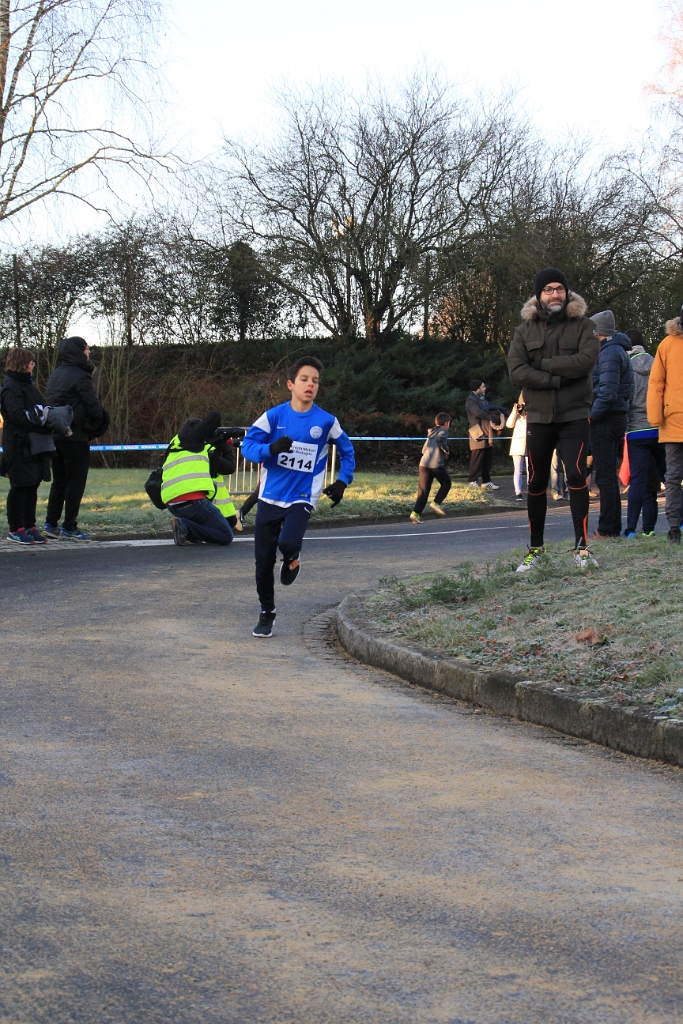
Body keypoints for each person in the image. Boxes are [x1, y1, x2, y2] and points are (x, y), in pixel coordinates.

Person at [241, 357, 355, 638]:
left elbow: (347, 451)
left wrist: (343, 481)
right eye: (304, 379)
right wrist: (270, 449)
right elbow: (247, 446)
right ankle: (267, 612)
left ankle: (292, 557)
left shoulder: (326, 421)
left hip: (302, 495)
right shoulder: (273, 417)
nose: (310, 385)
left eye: (315, 381)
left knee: (289, 542)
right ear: (291, 384)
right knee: (263, 562)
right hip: (270, 496)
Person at [507, 267, 600, 572]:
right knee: (536, 481)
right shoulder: (524, 331)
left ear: (567, 292)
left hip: (575, 415)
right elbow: (516, 371)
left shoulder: (584, 325)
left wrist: (543, 365)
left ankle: (582, 549)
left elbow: (585, 362)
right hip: (538, 417)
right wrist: (557, 379)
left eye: (559, 288)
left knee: (576, 477)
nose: (555, 294)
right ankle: (536, 549)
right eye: (548, 289)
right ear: (539, 295)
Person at [43, 336, 109, 541]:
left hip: (56, 434)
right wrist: (95, 426)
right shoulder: (80, 376)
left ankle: (50, 523)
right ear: (79, 351)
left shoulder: (55, 375)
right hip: (75, 435)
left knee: (59, 481)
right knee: (76, 482)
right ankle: (69, 526)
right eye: (86, 348)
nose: (88, 352)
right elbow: (93, 406)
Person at [0, 348, 61, 544]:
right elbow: (16, 415)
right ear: (23, 364)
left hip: (32, 443)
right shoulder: (11, 387)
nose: (33, 366)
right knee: (20, 485)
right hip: (18, 443)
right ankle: (15, 528)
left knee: (32, 483)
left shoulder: (29, 386)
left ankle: (29, 525)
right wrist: (40, 426)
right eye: (31, 363)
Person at [160, 410, 237, 546]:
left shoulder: (175, 445)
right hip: (192, 501)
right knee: (226, 535)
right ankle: (185, 526)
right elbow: (215, 416)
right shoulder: (193, 439)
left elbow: (212, 472)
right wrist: (220, 436)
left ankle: (187, 530)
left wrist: (219, 447)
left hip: (172, 503)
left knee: (213, 489)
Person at [588, 310, 633, 538]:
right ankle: (611, 527)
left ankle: (607, 529)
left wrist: (591, 416)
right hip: (614, 417)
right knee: (608, 476)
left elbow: (607, 392)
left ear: (598, 332)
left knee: (604, 476)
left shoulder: (609, 353)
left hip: (605, 419)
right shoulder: (616, 350)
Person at [623, 329, 665, 537]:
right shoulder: (657, 363)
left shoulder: (626, 367)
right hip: (660, 428)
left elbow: (625, 399)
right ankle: (676, 523)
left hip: (637, 430)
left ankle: (631, 528)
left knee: (639, 481)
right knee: (668, 477)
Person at [647, 307, 683, 543]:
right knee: (673, 477)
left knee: (673, 477)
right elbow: (656, 382)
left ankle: (673, 527)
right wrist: (655, 417)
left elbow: (656, 382)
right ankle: (673, 526)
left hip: (671, 419)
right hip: (672, 421)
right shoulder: (667, 345)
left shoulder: (667, 344)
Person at [410, 412, 452, 523]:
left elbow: (423, 450)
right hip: (435, 464)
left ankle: (415, 513)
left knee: (423, 491)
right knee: (447, 482)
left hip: (424, 464)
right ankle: (436, 503)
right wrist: (446, 450)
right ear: (446, 423)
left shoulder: (431, 432)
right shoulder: (443, 431)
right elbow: (441, 440)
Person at [466, 381, 499, 490]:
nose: (485, 388)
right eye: (483, 387)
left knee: (487, 457)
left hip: (486, 431)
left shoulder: (482, 399)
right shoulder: (471, 400)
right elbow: (476, 412)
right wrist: (489, 416)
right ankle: (472, 480)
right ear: (477, 388)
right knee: (477, 456)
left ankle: (486, 481)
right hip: (477, 431)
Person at [506, 396, 527, 501]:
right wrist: (515, 411)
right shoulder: (517, 414)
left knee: (530, 470)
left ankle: (532, 490)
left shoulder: (532, 412)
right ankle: (518, 492)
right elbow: (509, 424)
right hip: (518, 444)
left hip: (529, 443)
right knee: (518, 470)